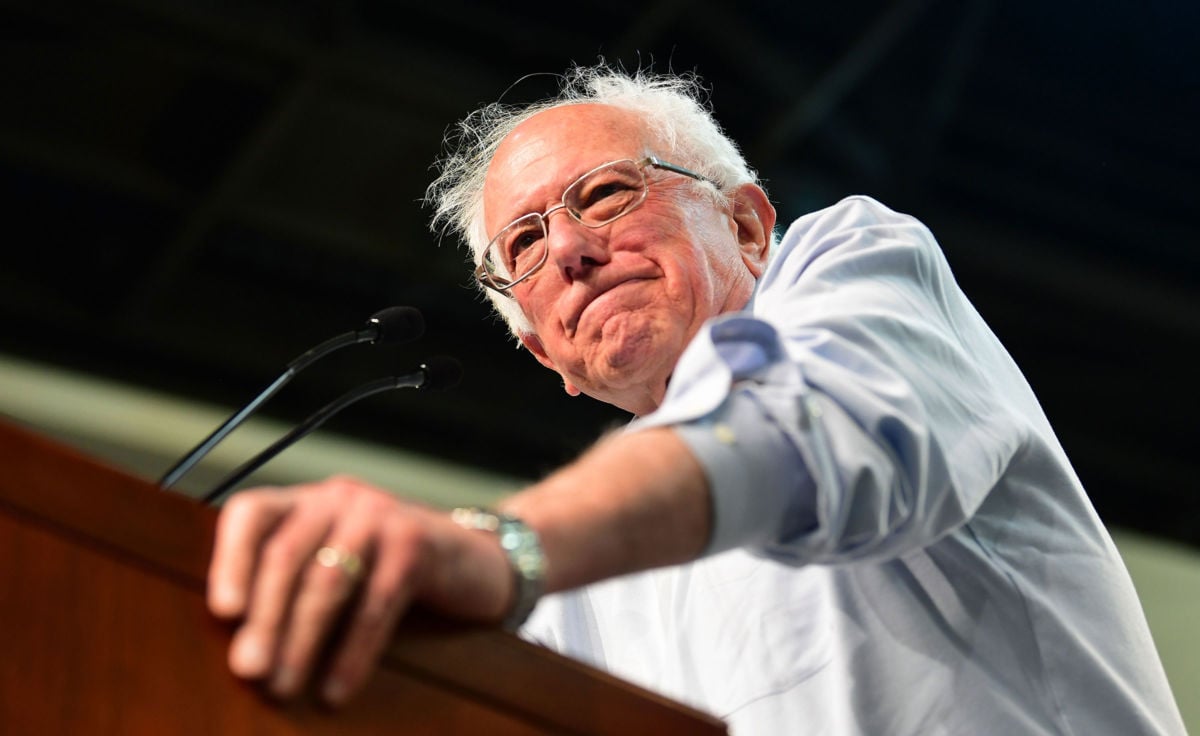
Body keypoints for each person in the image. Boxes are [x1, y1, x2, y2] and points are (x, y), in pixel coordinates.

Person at [206, 64, 1185, 734]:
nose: (573, 250)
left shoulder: (861, 268)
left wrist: (496, 547)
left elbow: (802, 428)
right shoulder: (574, 606)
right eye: (525, 246)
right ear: (543, 348)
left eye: (604, 195)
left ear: (751, 224)